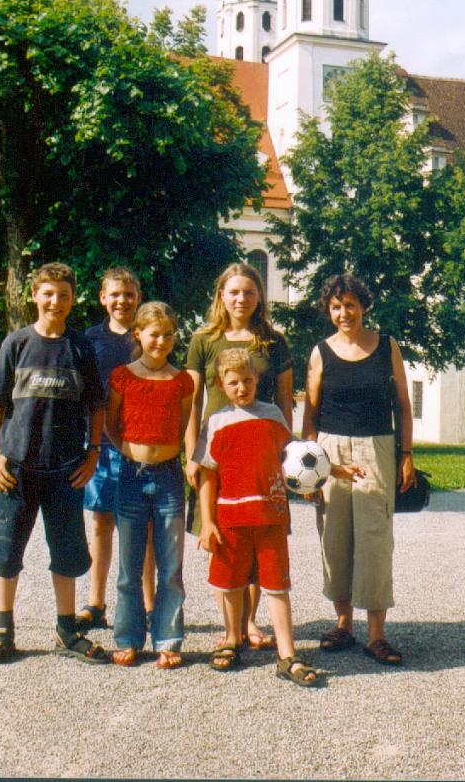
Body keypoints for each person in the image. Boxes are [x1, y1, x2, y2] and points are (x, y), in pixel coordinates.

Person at [0, 262, 110, 665]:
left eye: (64, 295)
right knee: (7, 550)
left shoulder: (80, 347)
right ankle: (4, 628)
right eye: (48, 293)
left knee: (68, 551)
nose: (56, 301)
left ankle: (66, 629)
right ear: (34, 296)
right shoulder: (16, 344)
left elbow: (96, 406)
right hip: (18, 468)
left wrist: (92, 454)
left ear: (74, 300)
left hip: (66, 469)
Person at [303, 273, 416, 665]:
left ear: (364, 306)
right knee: (334, 537)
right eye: (336, 306)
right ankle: (343, 624)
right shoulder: (320, 352)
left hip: (376, 448)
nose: (343, 312)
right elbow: (310, 414)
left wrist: (406, 455)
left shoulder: (387, 346)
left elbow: (403, 404)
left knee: (374, 538)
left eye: (350, 304)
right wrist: (312, 466)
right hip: (330, 450)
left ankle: (377, 635)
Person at [185, 261, 293, 650]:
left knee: (259, 529)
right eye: (233, 292)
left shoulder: (273, 342)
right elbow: (192, 401)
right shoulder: (203, 340)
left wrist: (289, 456)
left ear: (259, 296)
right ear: (221, 296)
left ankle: (249, 622)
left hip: (260, 456)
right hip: (217, 452)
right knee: (225, 540)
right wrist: (191, 454)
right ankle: (230, 627)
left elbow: (284, 402)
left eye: (248, 291)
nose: (241, 299)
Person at [196, 349, 319, 687]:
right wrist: (207, 523)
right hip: (230, 518)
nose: (241, 388)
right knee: (231, 583)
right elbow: (207, 474)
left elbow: (294, 460)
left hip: (270, 517)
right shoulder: (217, 422)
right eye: (233, 382)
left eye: (247, 380)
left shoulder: (273, 416)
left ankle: (287, 653)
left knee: (277, 586)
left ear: (257, 379)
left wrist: (329, 471)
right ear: (222, 384)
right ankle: (232, 638)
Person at [105, 301, 193, 668]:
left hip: (170, 476)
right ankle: (128, 637)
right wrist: (127, 449)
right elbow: (110, 423)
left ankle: (168, 638)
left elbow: (186, 423)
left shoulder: (182, 380)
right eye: (154, 334)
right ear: (138, 334)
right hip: (131, 475)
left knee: (170, 567)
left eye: (168, 335)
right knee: (130, 566)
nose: (161, 341)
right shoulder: (122, 376)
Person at [78, 267, 156, 633]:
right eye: (115, 294)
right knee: (101, 521)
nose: (122, 301)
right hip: (104, 445)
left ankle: (149, 604)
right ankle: (95, 603)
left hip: (143, 444)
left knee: (144, 526)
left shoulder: (148, 338)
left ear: (138, 297)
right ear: (102, 298)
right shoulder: (89, 340)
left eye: (129, 294)